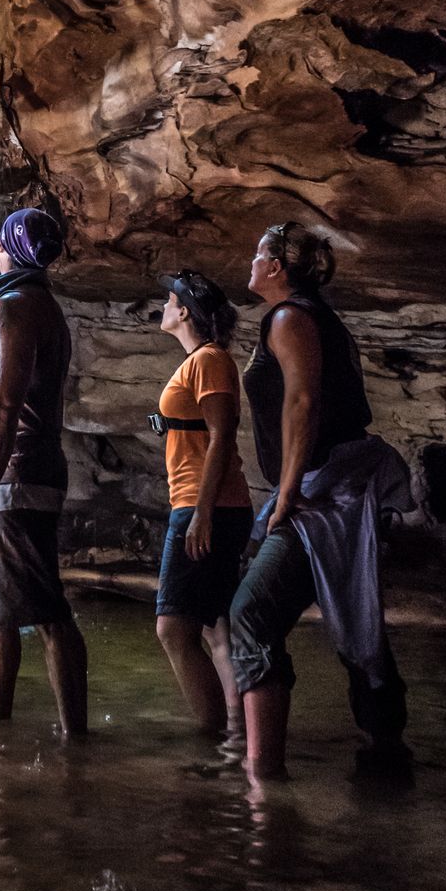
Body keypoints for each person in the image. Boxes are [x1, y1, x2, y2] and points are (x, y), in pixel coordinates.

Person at [230, 221, 412, 780]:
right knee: (351, 609)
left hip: (325, 491)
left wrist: (286, 495)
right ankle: (386, 757)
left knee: (251, 613)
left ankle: (264, 776)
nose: (250, 263)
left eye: (258, 255)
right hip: (329, 485)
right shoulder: (310, 315)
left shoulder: (290, 317)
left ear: (276, 267)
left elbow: (303, 403)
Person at [0, 207, 88, 735]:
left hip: (13, 478)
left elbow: (5, 407)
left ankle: (76, 738)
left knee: (48, 612)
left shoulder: (15, 307)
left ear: (7, 247)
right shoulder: (28, 302)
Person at [153, 269, 253, 736]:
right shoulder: (200, 361)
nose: (163, 306)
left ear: (185, 313)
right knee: (214, 626)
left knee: (173, 629)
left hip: (204, 505)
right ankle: (237, 734)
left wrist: (203, 513)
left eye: (170, 301)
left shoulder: (209, 360)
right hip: (204, 504)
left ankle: (210, 739)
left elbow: (222, 434)